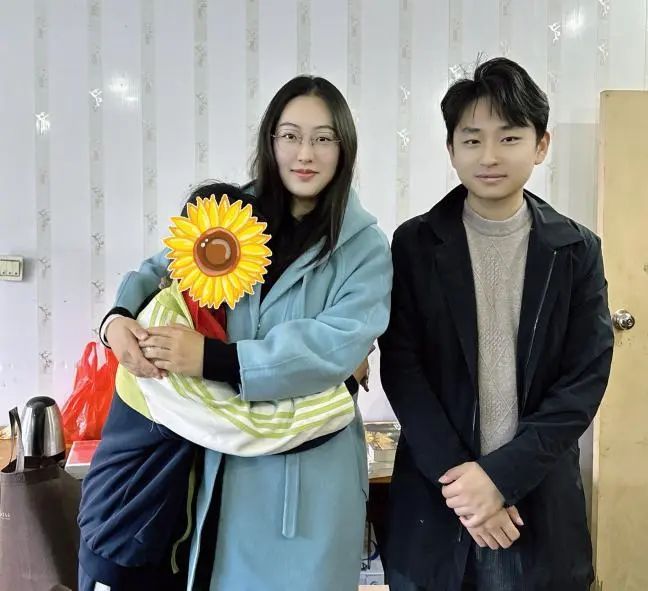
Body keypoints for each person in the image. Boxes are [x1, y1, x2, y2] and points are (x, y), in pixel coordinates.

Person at [94, 75, 392, 591]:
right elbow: (159, 268)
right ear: (270, 141)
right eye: (290, 135)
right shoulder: (230, 214)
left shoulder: (364, 247)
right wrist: (116, 319)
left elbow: (334, 348)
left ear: (344, 148)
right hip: (219, 462)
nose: (305, 153)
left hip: (309, 476)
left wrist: (213, 359)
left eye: (323, 138)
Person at [379, 57, 613, 591]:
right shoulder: (415, 245)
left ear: (541, 145)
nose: (489, 156)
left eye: (509, 138)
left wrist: (500, 478)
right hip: (440, 500)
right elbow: (402, 367)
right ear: (451, 149)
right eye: (472, 139)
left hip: (537, 498)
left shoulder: (575, 250)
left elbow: (584, 380)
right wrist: (467, 488)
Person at [77, 182, 363, 591]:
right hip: (123, 536)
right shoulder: (161, 333)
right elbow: (247, 427)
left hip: (166, 537)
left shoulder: (209, 323)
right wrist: (343, 385)